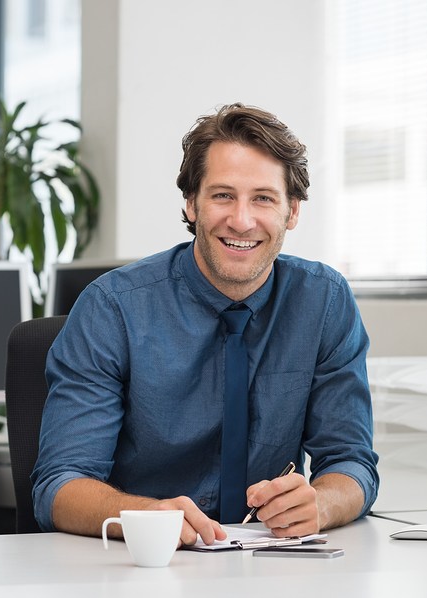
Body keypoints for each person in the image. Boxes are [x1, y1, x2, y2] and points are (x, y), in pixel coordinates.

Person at [32, 103, 379, 546]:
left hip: (270, 564)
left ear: (292, 211)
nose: (241, 219)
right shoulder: (111, 308)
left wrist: (321, 503)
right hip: (142, 564)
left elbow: (352, 463)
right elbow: (59, 486)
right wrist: (146, 516)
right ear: (191, 203)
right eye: (222, 195)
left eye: (263, 198)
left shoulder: (324, 301)